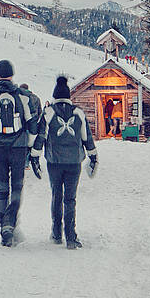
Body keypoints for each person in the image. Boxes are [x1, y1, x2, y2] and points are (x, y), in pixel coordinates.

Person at [0, 60, 38, 247]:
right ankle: (9, 223)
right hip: (18, 147)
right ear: (12, 75)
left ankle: (4, 228)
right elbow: (32, 126)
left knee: (1, 189)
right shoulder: (23, 96)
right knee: (17, 187)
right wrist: (30, 147)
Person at [31, 74, 97, 249]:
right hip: (74, 162)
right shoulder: (79, 113)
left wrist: (35, 156)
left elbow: (41, 137)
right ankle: (71, 237)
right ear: (69, 97)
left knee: (56, 196)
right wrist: (93, 156)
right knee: (70, 198)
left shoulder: (48, 113)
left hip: (54, 161)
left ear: (54, 96)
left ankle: (56, 233)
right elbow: (86, 138)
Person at [19, 83, 42, 173]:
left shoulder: (19, 98)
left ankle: (22, 163)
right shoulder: (36, 98)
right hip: (33, 125)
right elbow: (39, 111)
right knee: (30, 144)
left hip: (22, 125)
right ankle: (27, 163)